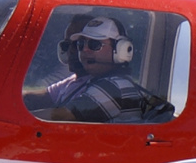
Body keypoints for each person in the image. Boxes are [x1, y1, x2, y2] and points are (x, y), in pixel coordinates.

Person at [28, 14, 169, 123]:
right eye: (81, 44)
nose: (84, 50)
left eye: (95, 44)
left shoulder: (114, 86)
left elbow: (63, 115)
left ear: (121, 50)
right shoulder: (99, 81)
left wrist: (17, 116)